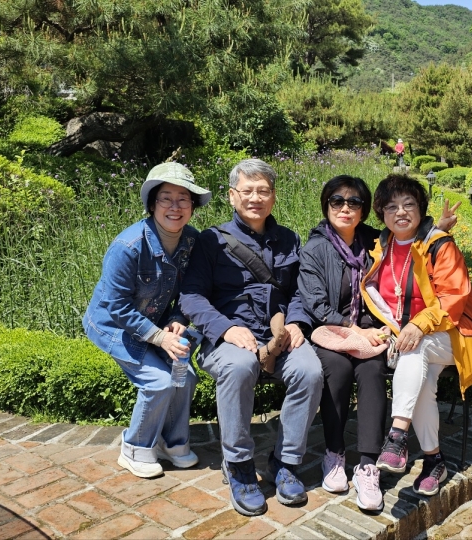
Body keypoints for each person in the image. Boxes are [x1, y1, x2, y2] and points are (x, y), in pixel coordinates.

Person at [299, 175, 460, 511]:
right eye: (337, 201)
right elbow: (315, 303)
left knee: (378, 370)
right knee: (345, 371)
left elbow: (424, 254)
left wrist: (436, 232)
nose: (345, 208)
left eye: (354, 202)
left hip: (404, 334)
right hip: (346, 332)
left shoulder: (378, 241)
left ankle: (373, 459)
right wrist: (355, 330)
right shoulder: (325, 248)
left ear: (364, 211)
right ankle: (339, 454)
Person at [179, 158, 324, 517]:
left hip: (278, 336)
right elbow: (191, 296)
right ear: (232, 196)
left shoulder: (288, 239)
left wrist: (297, 323)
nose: (255, 198)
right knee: (240, 367)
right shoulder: (211, 241)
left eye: (263, 191)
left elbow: (299, 292)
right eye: (247, 191)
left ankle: (285, 462)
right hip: (228, 338)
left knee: (309, 371)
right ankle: (239, 465)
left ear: (273, 196)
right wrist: (226, 328)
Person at [362, 174, 472, 497]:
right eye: (391, 206)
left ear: (421, 209)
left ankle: (397, 436)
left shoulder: (440, 245)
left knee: (415, 348)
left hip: (454, 335)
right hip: (414, 341)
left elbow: (454, 297)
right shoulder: (382, 247)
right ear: (381, 213)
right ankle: (434, 460)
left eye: (408, 204)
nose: (400, 212)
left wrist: (418, 325)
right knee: (421, 380)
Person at [82, 162, 211, 479]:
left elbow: (193, 288)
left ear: (193, 206)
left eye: (183, 199)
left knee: (185, 377)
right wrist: (160, 338)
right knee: (158, 382)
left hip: (158, 320)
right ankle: (135, 447)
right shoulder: (128, 247)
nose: (175, 207)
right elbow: (115, 305)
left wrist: (179, 318)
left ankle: (172, 442)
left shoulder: (192, 241)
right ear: (152, 204)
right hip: (115, 325)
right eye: (166, 198)